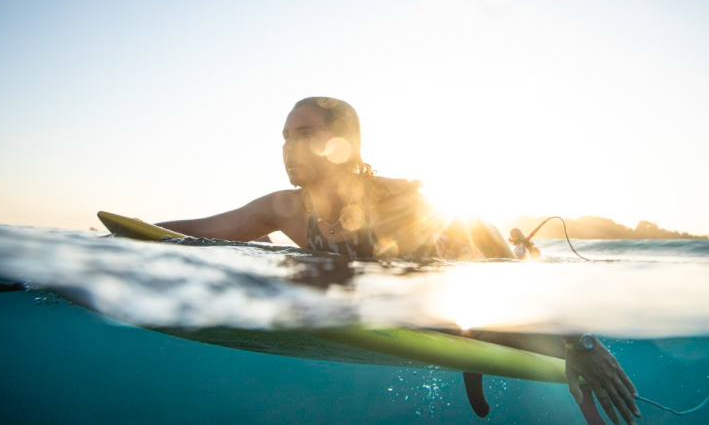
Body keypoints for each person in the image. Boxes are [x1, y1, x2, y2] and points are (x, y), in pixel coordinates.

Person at [157, 96, 641, 425]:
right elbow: (202, 231)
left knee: (557, 350)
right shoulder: (283, 208)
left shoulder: (392, 200)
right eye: (284, 136)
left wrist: (579, 339)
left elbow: (486, 241)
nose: (288, 147)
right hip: (398, 297)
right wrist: (130, 231)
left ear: (346, 146)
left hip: (472, 284)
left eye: (304, 134)